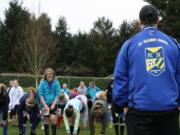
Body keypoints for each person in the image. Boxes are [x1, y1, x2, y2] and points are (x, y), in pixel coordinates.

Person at [113, 4, 180, 135]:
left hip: (139, 113)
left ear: (140, 22)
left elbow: (120, 78)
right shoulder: (174, 44)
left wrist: (123, 104)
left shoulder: (129, 45)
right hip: (168, 113)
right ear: (158, 21)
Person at [38, 68, 61, 135]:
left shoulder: (56, 82)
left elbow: (57, 94)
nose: (50, 76)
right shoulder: (42, 83)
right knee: (46, 120)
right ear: (45, 75)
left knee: (53, 118)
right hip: (44, 104)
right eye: (48, 74)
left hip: (54, 103)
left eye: (51, 74)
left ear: (53, 75)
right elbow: (40, 94)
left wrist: (53, 104)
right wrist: (44, 105)